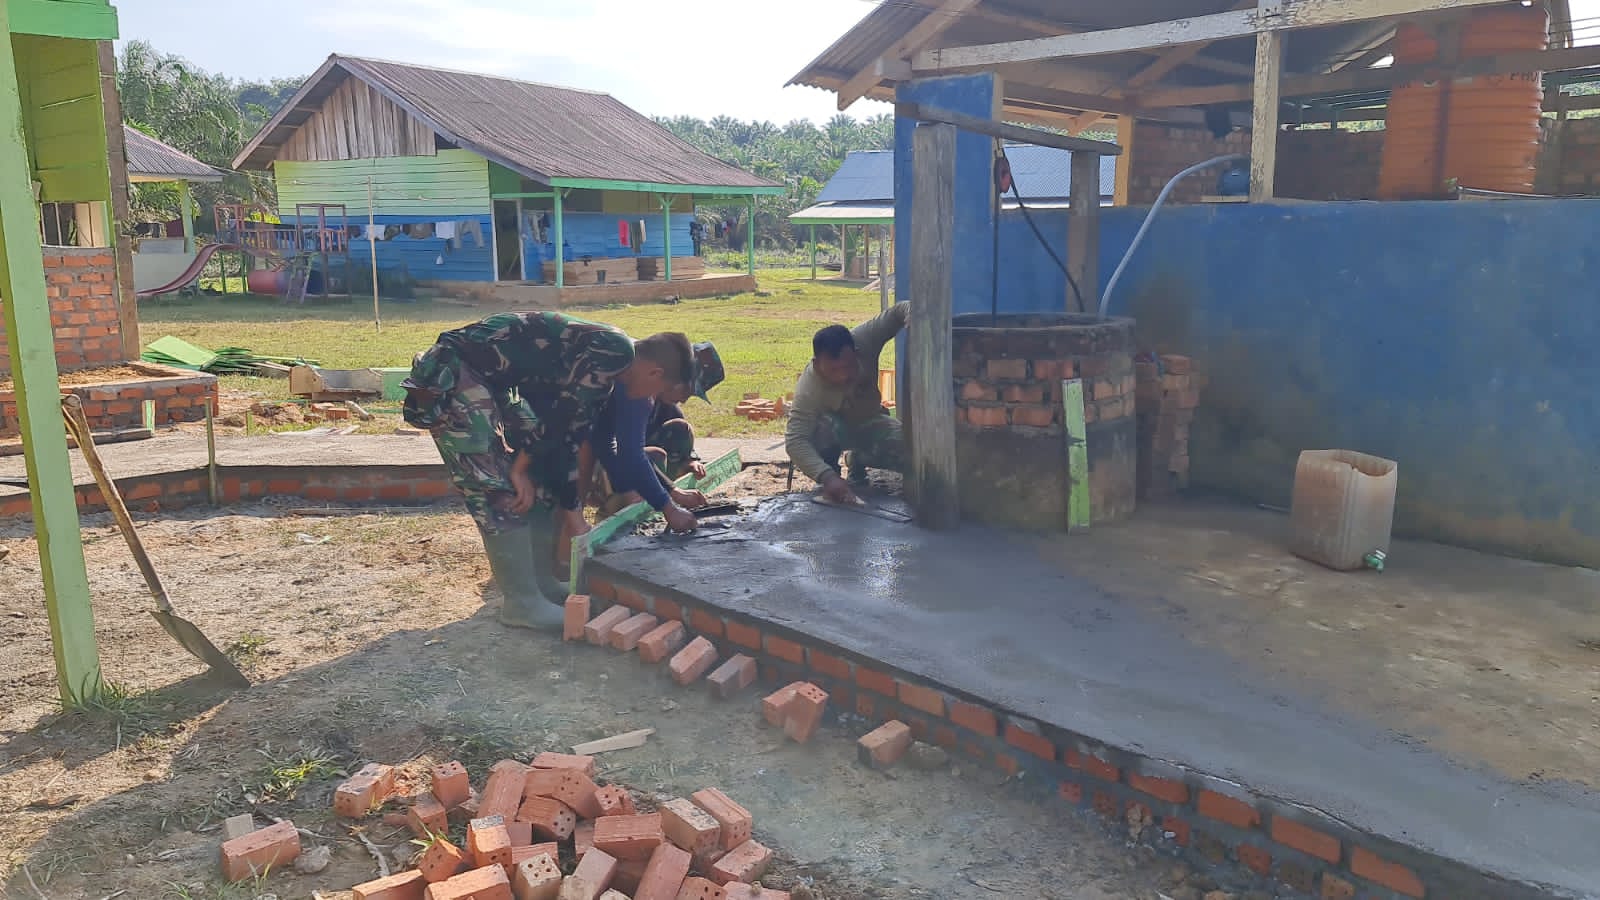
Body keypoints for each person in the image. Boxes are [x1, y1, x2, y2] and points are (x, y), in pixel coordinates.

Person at [401, 312, 698, 631]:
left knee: (540, 479)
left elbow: (563, 432)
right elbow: (565, 426)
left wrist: (530, 469)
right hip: (458, 371)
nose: (650, 399)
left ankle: (541, 583)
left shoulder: (610, 363)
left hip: (493, 383)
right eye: (658, 391)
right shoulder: (615, 352)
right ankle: (522, 602)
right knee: (494, 487)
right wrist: (541, 489)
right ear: (655, 372)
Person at [785, 303, 909, 504]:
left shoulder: (866, 338)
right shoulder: (809, 388)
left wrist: (915, 318)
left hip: (871, 422)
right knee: (820, 429)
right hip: (833, 432)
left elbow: (897, 313)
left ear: (857, 352)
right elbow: (795, 440)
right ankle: (831, 480)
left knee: (911, 451)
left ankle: (857, 460)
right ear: (817, 364)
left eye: (849, 366)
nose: (844, 376)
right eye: (834, 370)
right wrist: (827, 477)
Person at [587, 342, 725, 522]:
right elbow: (627, 454)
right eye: (687, 391)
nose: (684, 399)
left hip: (624, 458)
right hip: (594, 463)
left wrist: (687, 465)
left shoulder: (662, 399)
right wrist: (670, 500)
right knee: (654, 456)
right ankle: (616, 514)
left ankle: (651, 496)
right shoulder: (636, 390)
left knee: (678, 430)